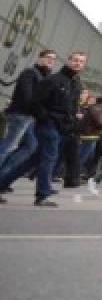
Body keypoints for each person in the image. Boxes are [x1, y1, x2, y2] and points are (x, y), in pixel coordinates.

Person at [7, 51, 86, 207]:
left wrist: (71, 124)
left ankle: (2, 183)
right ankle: (42, 195)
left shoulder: (76, 84)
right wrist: (45, 119)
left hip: (61, 128)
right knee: (49, 159)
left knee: (32, 160)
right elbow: (34, 102)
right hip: (48, 126)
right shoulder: (53, 80)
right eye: (75, 60)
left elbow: (71, 108)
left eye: (81, 62)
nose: (78, 63)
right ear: (68, 60)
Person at [0, 50, 57, 203]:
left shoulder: (45, 76)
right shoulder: (30, 73)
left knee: (30, 147)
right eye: (48, 58)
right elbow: (27, 96)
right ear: (40, 58)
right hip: (20, 115)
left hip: (29, 117)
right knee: (8, 147)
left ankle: (3, 177)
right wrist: (38, 110)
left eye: (53, 59)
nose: (50, 61)